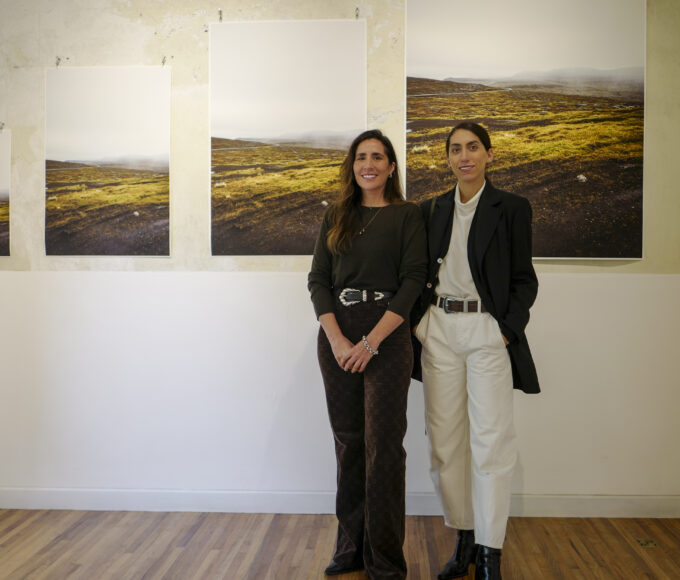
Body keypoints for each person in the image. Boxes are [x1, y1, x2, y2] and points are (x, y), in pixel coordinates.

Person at [411, 122, 540, 580]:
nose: (463, 156)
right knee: (446, 445)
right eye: (455, 149)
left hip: (487, 332)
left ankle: (489, 551)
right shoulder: (431, 209)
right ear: (447, 158)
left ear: (488, 154)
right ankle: (464, 535)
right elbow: (416, 273)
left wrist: (505, 331)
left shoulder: (512, 208)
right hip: (440, 331)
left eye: (472, 148)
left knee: (491, 442)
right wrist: (421, 326)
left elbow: (524, 279)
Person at [308, 129, 428, 580]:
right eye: (361, 157)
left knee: (384, 448)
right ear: (352, 165)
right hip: (338, 335)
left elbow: (413, 281)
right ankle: (351, 549)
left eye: (378, 157)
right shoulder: (336, 215)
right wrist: (339, 341)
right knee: (349, 443)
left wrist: (372, 343)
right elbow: (318, 280)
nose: (369, 164)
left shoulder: (407, 215)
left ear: (391, 167)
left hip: (389, 335)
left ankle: (386, 560)